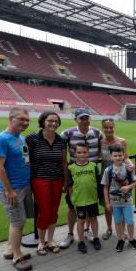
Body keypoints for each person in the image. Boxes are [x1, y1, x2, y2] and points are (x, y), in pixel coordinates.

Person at [0, 107, 32, 271]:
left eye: (27, 120)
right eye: (21, 119)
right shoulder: (1, 139)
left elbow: (25, 159)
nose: (25, 123)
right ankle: (17, 256)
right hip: (12, 189)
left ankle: (10, 249)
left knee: (18, 221)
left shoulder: (21, 137)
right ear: (11, 118)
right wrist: (9, 190)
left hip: (23, 186)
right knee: (17, 221)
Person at [25, 111, 67, 256]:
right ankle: (41, 242)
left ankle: (50, 241)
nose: (53, 124)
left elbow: (63, 162)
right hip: (39, 179)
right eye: (50, 121)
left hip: (58, 179)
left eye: (56, 121)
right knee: (45, 212)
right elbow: (25, 159)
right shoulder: (32, 138)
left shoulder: (61, 140)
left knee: (54, 212)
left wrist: (66, 181)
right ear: (43, 121)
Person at [59, 108, 102, 248]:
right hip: (75, 175)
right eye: (81, 118)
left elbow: (103, 149)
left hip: (91, 175)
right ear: (76, 119)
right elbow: (61, 155)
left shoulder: (96, 132)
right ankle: (70, 235)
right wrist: (66, 180)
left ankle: (86, 231)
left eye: (86, 118)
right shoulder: (67, 133)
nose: (84, 120)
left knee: (90, 205)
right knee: (72, 206)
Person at [100, 118, 134, 240]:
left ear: (114, 127)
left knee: (122, 204)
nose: (109, 129)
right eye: (106, 127)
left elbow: (126, 157)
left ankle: (123, 230)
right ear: (102, 128)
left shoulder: (122, 141)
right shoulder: (101, 142)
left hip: (121, 178)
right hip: (107, 177)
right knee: (107, 206)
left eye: (111, 127)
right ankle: (109, 229)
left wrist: (131, 164)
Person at [102, 144, 136, 252]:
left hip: (127, 201)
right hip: (115, 202)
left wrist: (128, 187)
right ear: (111, 157)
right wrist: (107, 202)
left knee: (130, 221)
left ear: (124, 155)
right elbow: (105, 187)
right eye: (115, 155)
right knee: (118, 221)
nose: (118, 158)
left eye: (120, 155)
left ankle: (131, 239)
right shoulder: (108, 170)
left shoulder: (128, 169)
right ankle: (120, 240)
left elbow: (135, 182)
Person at [67, 143, 100, 253]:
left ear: (88, 153)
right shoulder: (71, 168)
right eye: (79, 152)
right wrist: (72, 198)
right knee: (80, 221)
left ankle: (95, 238)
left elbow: (98, 182)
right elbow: (70, 186)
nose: (82, 154)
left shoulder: (94, 166)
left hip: (92, 199)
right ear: (75, 154)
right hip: (79, 201)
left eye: (84, 152)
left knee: (94, 219)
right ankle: (81, 241)